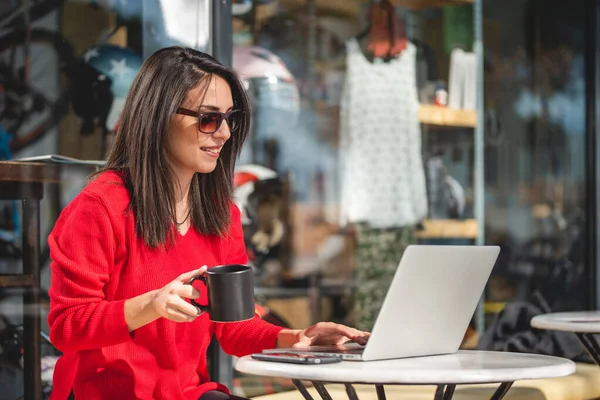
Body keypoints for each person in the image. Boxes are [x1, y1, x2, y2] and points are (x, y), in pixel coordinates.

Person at [47, 46, 369, 400]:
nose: (225, 133)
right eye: (209, 119)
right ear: (158, 116)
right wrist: (150, 305)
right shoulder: (100, 206)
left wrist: (295, 337)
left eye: (230, 118)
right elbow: (67, 326)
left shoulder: (220, 215)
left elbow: (235, 327)